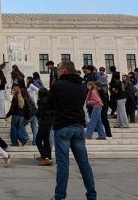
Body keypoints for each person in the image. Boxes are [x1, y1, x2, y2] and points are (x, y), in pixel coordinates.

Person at [48, 61, 97, 200]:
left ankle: (60, 195)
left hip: (63, 126)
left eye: (58, 69)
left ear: (64, 70)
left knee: (63, 163)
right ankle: (92, 195)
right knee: (84, 163)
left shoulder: (57, 86)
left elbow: (50, 105)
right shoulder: (82, 87)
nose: (57, 72)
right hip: (78, 127)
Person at [35, 87, 53, 166]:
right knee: (46, 140)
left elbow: (40, 113)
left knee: (38, 140)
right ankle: (48, 157)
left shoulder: (42, 101)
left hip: (43, 122)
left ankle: (45, 157)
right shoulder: (50, 100)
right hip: (49, 122)